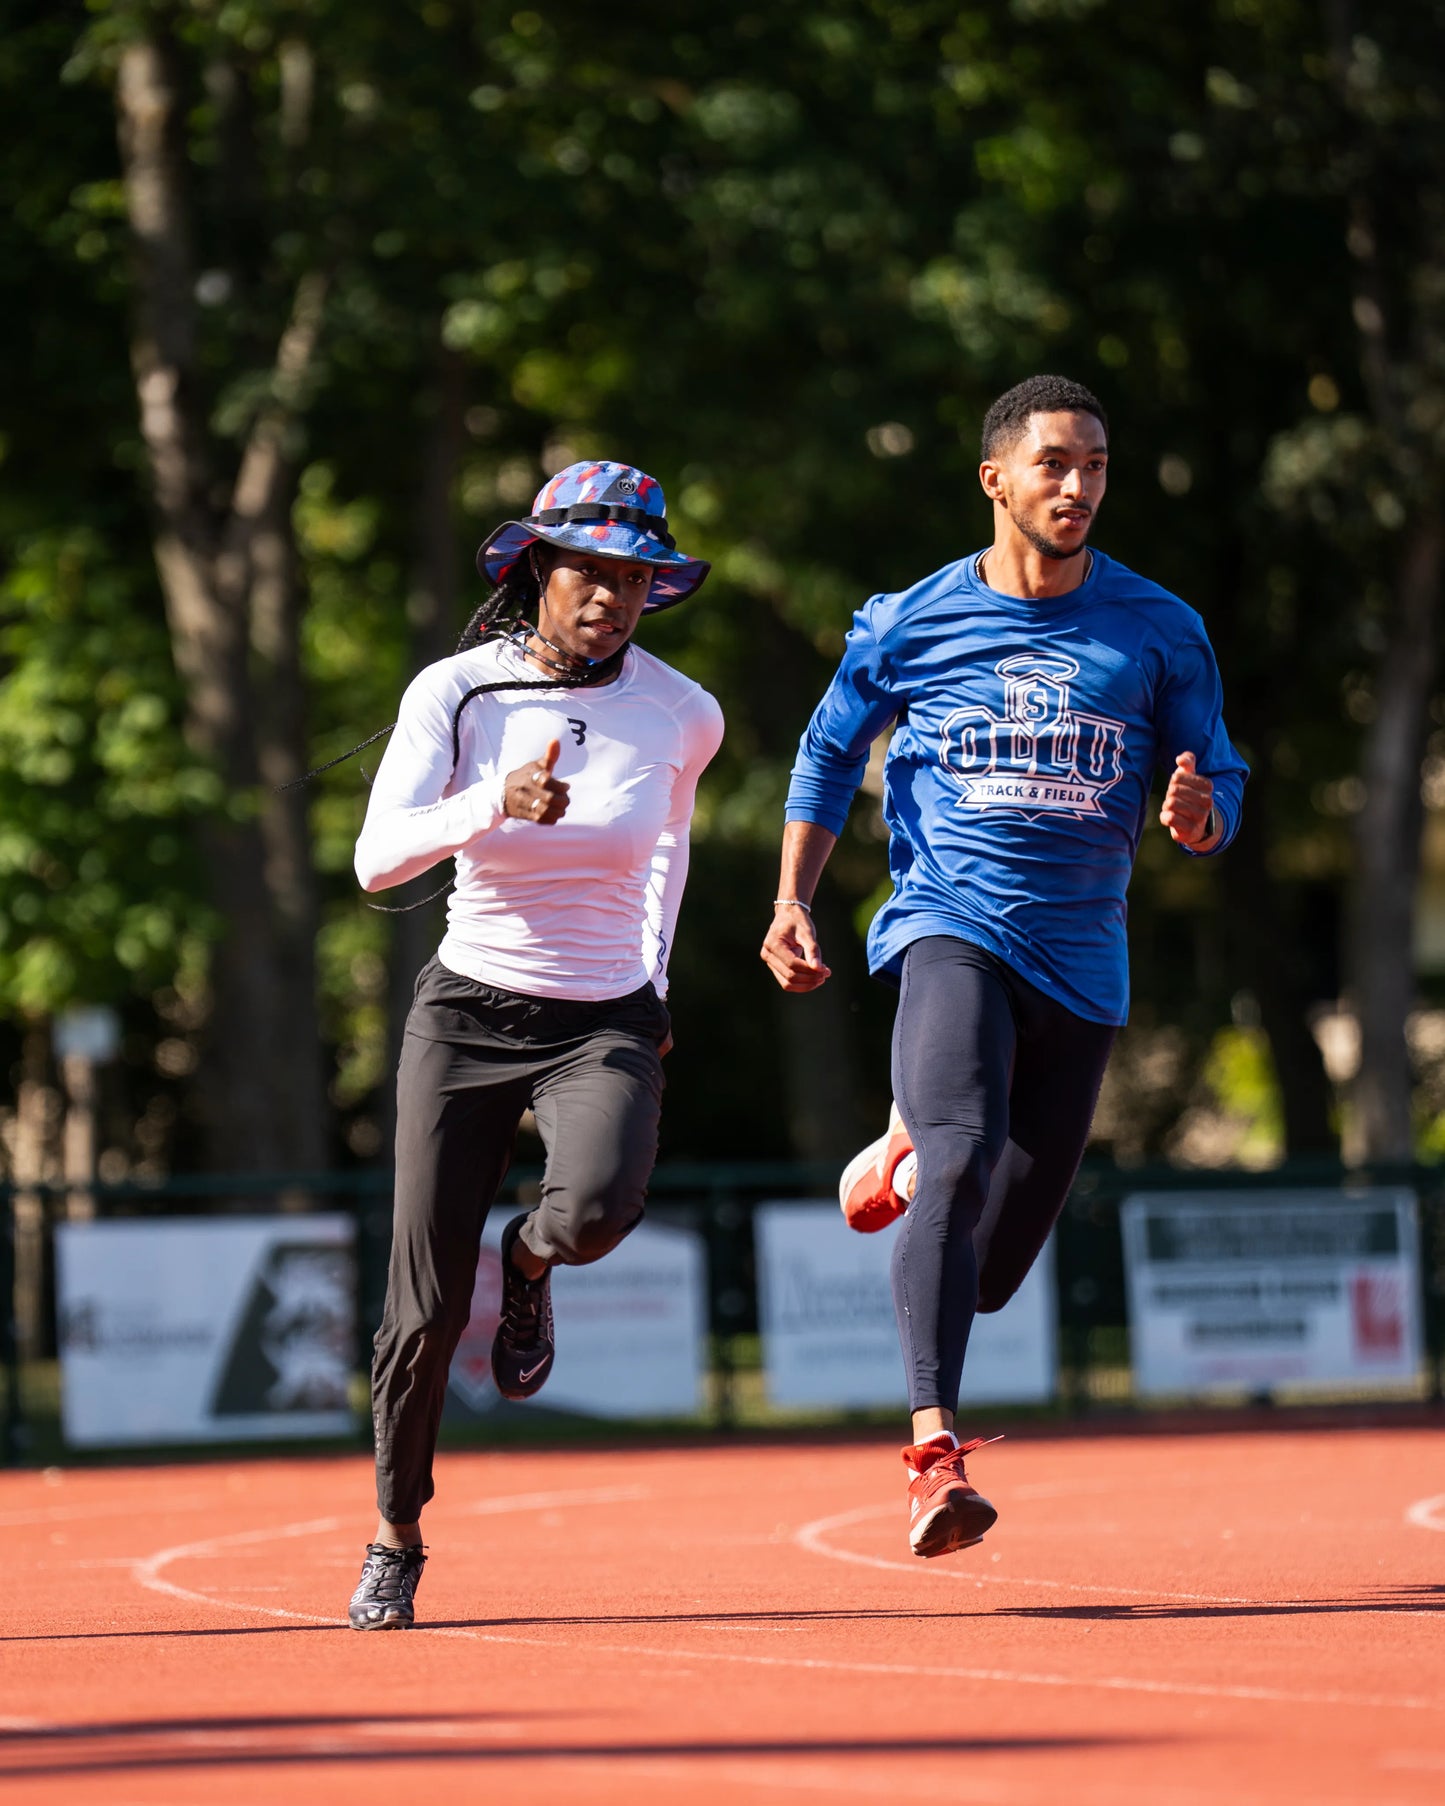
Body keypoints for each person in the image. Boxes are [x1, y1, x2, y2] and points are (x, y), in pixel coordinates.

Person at [761, 376, 1246, 1559]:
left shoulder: (1158, 627)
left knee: (985, 1274)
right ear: (995, 479)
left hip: (1082, 959)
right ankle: (932, 1459)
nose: (1075, 486)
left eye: (1092, 466)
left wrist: (1194, 816)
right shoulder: (908, 620)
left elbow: (1217, 784)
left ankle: (901, 1139)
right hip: (947, 922)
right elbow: (827, 756)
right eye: (1051, 465)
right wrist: (790, 898)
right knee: (963, 1155)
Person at [347, 460, 722, 1628]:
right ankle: (395, 1536)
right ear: (534, 571)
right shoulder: (455, 695)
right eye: (586, 572)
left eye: (632, 575)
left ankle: (531, 1263)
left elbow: (667, 860)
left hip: (603, 1012)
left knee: (601, 1209)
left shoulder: (682, 712)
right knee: (417, 1303)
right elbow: (375, 862)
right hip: (466, 1010)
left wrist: (650, 996)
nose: (609, 594)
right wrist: (491, 805)